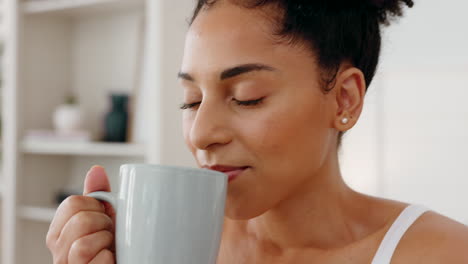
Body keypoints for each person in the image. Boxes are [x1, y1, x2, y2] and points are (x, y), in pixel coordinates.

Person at [46, 0, 468, 263]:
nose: (201, 133)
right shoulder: (150, 251)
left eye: (246, 97)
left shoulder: (441, 254)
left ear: (344, 99)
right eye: (190, 101)